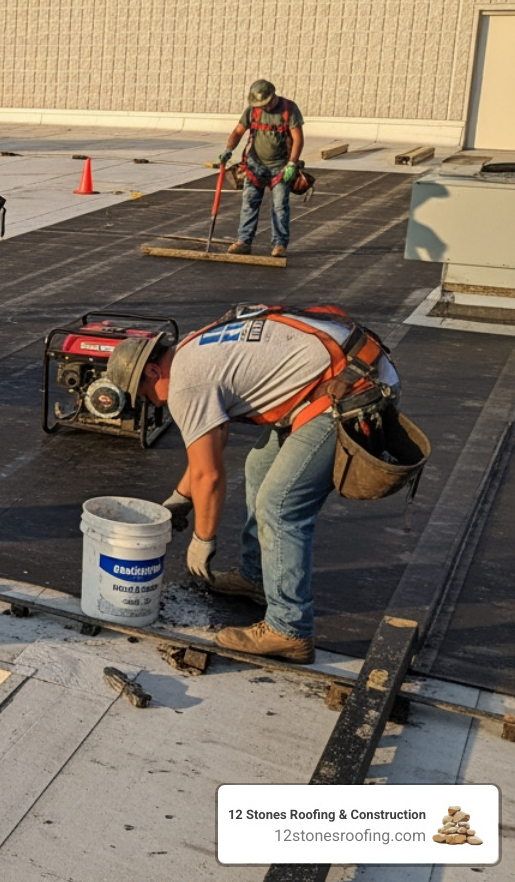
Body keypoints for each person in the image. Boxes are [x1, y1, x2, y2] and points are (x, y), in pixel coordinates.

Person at [108, 303, 400, 664]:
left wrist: (203, 539)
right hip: (345, 370)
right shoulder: (191, 352)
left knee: (280, 506)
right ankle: (257, 577)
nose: (152, 404)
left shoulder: (186, 384)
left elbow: (210, 474)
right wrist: (180, 498)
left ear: (153, 370)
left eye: (146, 395)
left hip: (351, 389)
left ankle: (289, 630)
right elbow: (210, 448)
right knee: (259, 465)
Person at [220, 79, 304, 259]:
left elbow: (298, 139)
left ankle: (279, 244)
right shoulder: (253, 110)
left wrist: (292, 163)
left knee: (280, 206)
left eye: (265, 104)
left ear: (273, 97)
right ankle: (244, 241)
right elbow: (238, 132)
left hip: (280, 167)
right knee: (249, 204)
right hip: (255, 166)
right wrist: (228, 149)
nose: (263, 107)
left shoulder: (289, 109)